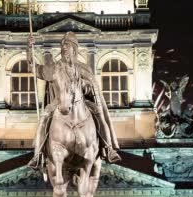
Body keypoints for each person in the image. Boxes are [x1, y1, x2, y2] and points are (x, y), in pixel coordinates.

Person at [25, 31, 121, 169]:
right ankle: (38, 154)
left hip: (81, 102)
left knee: (100, 115)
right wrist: (29, 49)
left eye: (67, 45)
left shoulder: (83, 68)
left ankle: (108, 148)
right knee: (44, 118)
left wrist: (84, 86)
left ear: (74, 48)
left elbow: (92, 88)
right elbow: (33, 69)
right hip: (59, 103)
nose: (64, 47)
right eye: (62, 45)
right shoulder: (55, 68)